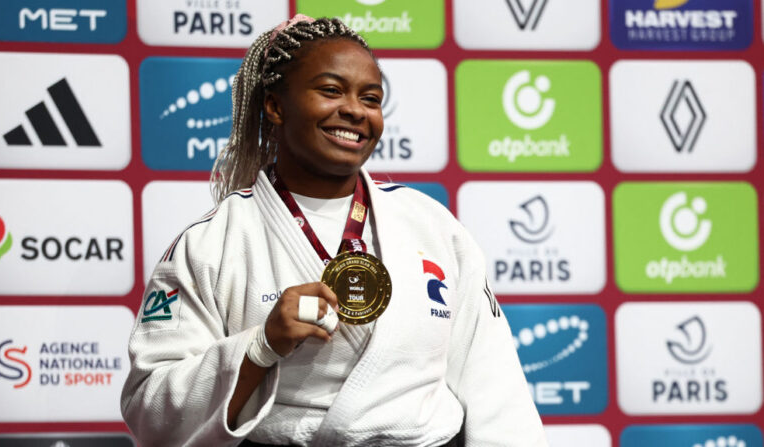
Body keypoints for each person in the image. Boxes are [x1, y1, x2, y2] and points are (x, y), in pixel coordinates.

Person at [121, 15, 547, 447]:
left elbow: (496, 386)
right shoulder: (212, 243)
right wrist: (260, 346)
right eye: (330, 90)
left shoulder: (431, 226)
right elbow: (149, 408)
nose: (355, 111)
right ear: (275, 106)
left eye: (371, 97)